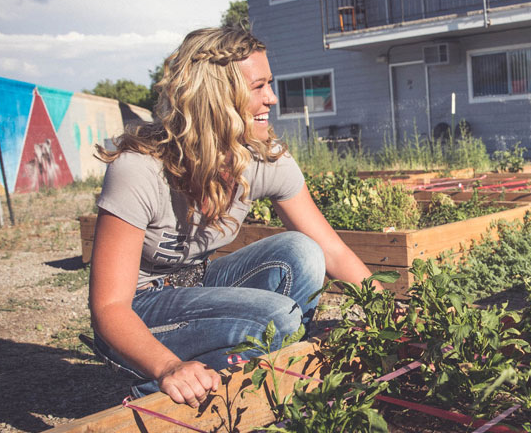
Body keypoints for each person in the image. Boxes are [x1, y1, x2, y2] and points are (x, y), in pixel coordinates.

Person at [89, 27, 376, 407]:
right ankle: (157, 389)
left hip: (197, 284)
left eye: (269, 85)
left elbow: (332, 251)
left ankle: (272, 375)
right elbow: (109, 308)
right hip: (141, 313)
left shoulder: (263, 157)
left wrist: (388, 311)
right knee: (278, 318)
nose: (271, 98)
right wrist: (167, 366)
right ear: (217, 97)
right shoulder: (140, 170)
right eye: (259, 87)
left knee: (303, 251)